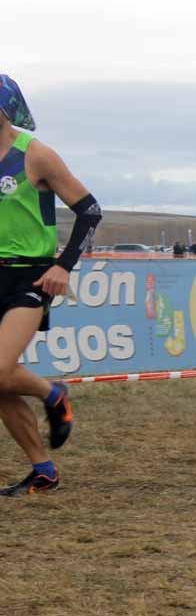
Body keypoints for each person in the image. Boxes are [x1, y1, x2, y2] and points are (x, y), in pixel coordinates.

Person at [0, 75, 98, 496]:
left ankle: (52, 393)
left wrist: (64, 266)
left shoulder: (35, 155)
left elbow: (90, 212)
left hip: (31, 274)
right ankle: (43, 469)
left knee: (0, 369)